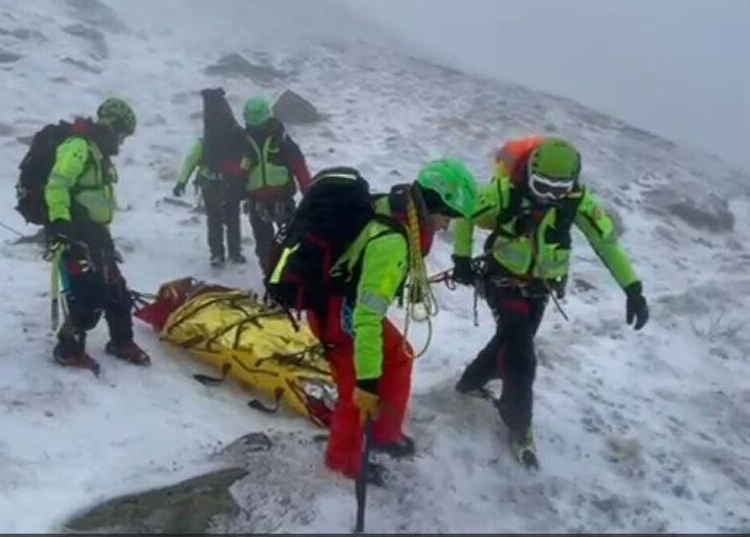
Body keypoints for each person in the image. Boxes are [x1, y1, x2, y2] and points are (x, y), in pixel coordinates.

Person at [269, 159, 479, 485]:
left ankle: (383, 434)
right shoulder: (393, 241)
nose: (446, 226)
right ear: (435, 204)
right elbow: (367, 316)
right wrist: (367, 383)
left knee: (399, 356)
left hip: (344, 305)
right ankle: (343, 462)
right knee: (355, 393)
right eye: (447, 216)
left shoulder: (396, 206)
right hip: (339, 314)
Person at [450, 137, 649, 465]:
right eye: (541, 186)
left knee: (511, 341)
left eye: (559, 189)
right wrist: (461, 259)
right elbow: (467, 214)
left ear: (573, 183)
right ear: (528, 173)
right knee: (521, 356)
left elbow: (606, 243)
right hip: (501, 281)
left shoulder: (578, 203)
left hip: (540, 289)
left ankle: (470, 383)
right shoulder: (503, 193)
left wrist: (633, 288)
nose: (549, 196)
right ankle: (519, 425)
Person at [46, 95, 150, 371]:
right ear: (113, 126)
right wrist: (61, 224)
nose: (122, 142)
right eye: (122, 135)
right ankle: (68, 348)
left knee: (116, 289)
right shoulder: (78, 147)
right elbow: (57, 185)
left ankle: (121, 341)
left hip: (97, 233)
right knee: (87, 295)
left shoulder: (97, 152)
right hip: (74, 232)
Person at [174, 87, 248, 268]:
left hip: (209, 184)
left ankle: (217, 254)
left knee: (214, 220)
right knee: (233, 218)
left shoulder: (205, 141)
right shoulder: (236, 133)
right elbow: (247, 157)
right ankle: (235, 254)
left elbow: (190, 160)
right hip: (231, 183)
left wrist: (181, 182)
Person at [241, 95, 310, 272]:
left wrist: (308, 192)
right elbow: (235, 172)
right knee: (264, 245)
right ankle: (270, 274)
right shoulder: (241, 141)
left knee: (291, 240)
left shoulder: (281, 138)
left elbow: (298, 164)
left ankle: (291, 275)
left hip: (282, 197)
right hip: (256, 200)